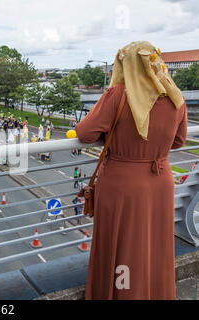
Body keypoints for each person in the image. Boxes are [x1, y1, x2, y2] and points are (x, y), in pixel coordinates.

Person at [75, 41, 188, 300]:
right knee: (154, 246)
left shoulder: (118, 95)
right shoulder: (174, 96)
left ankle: (122, 294)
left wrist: (116, 139)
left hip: (122, 184)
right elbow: (179, 141)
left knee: (124, 247)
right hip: (160, 182)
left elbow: (85, 132)